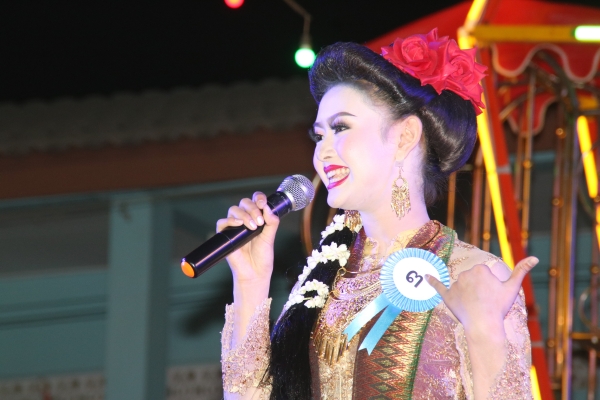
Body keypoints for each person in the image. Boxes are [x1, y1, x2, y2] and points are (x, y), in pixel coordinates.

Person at [218, 29, 536, 399]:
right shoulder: (322, 278)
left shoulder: (473, 275)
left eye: (340, 128)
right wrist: (251, 282)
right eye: (318, 136)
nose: (321, 152)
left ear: (405, 136)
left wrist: (484, 331)